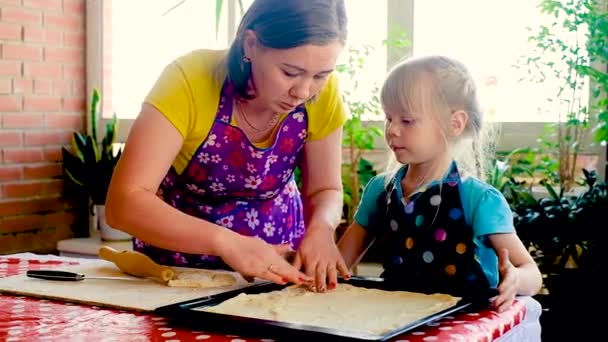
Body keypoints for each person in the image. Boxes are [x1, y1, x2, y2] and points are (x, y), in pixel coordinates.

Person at [106, 0, 350, 291]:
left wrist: (322, 229)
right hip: (179, 272)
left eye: (321, 76)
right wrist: (226, 241)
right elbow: (124, 203)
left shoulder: (323, 94)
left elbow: (325, 190)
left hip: (280, 266)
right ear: (250, 45)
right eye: (289, 72)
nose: (304, 91)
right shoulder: (190, 80)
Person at [337, 55, 542, 312]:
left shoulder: (479, 199)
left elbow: (532, 274)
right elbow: (338, 265)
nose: (392, 130)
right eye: (389, 118)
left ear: (454, 123)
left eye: (407, 120)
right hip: (394, 322)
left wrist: (516, 279)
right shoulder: (380, 190)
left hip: (465, 327)